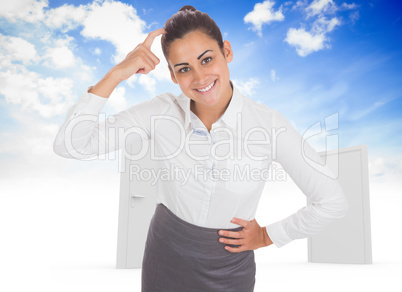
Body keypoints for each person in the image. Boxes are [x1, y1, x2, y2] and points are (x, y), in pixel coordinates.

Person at [53, 5, 349, 292]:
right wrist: (117, 73)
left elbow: (332, 201)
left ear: (227, 52)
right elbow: (71, 145)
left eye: (206, 60)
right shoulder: (160, 113)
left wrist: (268, 235)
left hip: (229, 268)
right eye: (184, 69)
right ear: (172, 75)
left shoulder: (269, 125)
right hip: (164, 255)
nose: (199, 78)